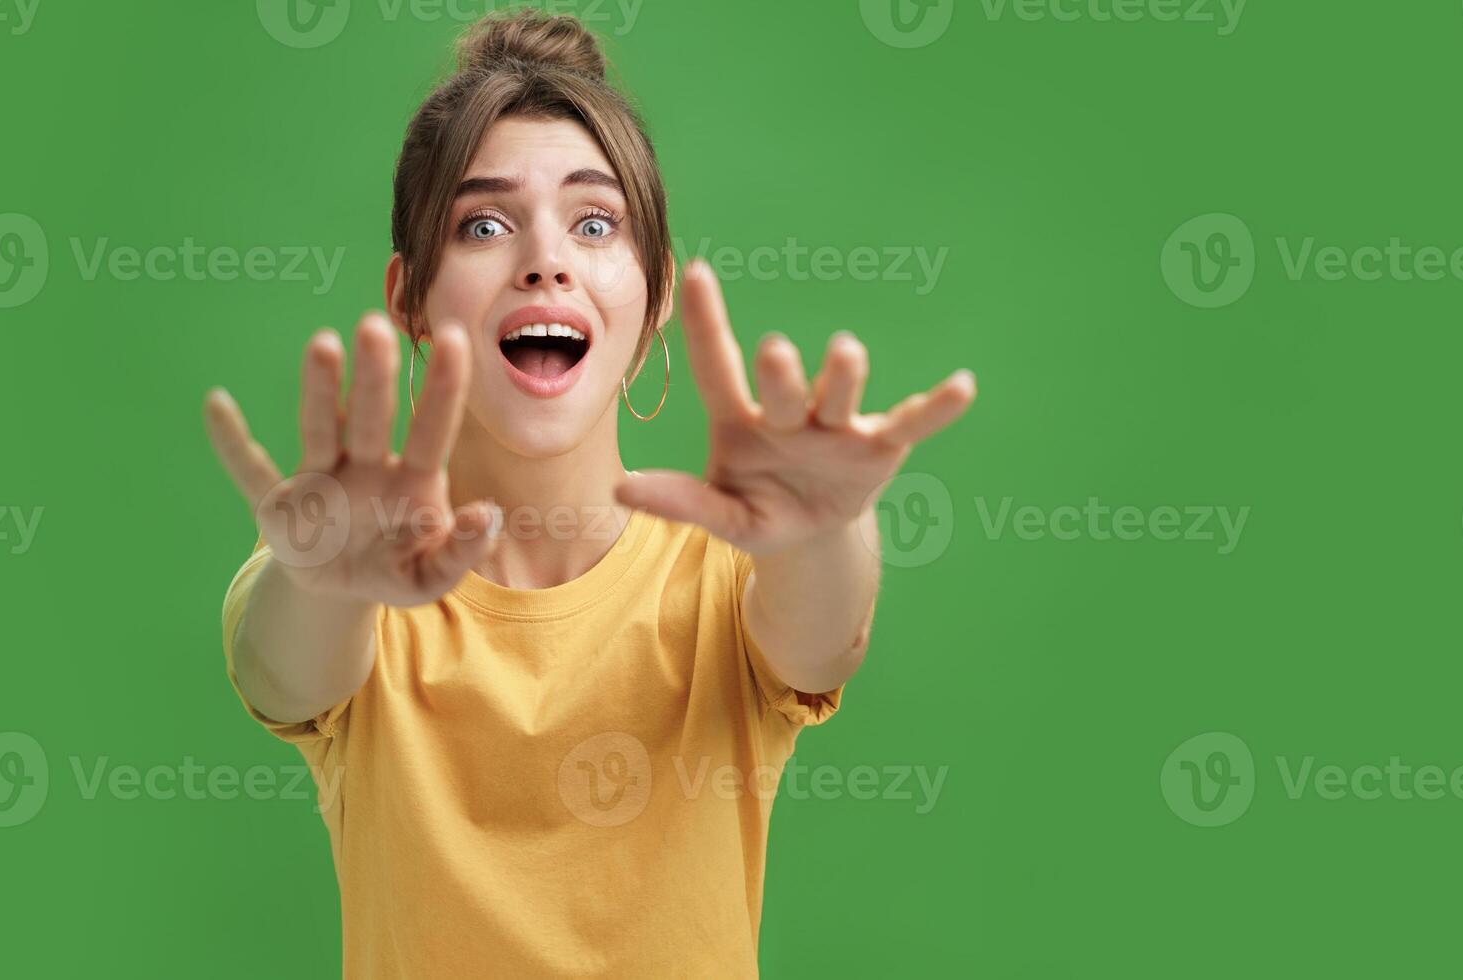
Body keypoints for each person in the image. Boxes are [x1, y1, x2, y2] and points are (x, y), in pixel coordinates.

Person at [200, 9, 976, 975]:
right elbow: (282, 671)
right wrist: (323, 578)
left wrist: (825, 531)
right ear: (409, 300)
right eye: (483, 224)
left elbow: (826, 636)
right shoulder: (356, 582)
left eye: (595, 221)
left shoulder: (730, 581)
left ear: (652, 296)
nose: (543, 258)